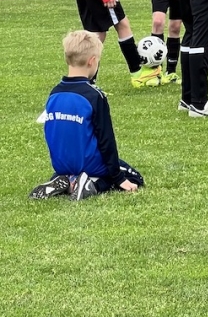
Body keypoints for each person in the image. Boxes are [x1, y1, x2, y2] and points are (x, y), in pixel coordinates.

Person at [29, 31, 144, 201]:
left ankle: (66, 180)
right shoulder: (94, 95)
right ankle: (91, 185)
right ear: (92, 61)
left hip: (62, 165)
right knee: (134, 177)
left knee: (75, 167)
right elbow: (106, 139)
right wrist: (118, 178)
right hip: (91, 164)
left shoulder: (54, 93)